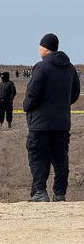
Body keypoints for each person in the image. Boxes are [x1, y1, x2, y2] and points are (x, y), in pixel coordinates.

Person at [23, 33, 80, 202]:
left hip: (40, 124)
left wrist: (27, 106)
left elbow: (32, 93)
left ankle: (40, 191)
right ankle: (60, 194)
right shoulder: (70, 68)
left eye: (40, 45)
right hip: (62, 123)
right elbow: (75, 93)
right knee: (61, 159)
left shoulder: (41, 67)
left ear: (45, 47)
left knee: (38, 157)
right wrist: (61, 105)